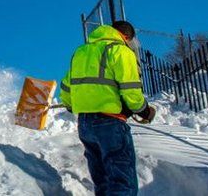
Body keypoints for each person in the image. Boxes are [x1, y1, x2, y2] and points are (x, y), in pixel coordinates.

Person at [60, 20, 156, 195]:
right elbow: (131, 92)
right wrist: (145, 110)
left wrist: (70, 104)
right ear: (126, 37)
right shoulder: (121, 51)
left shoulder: (81, 52)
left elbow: (67, 88)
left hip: (85, 125)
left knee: (102, 183)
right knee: (121, 182)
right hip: (111, 123)